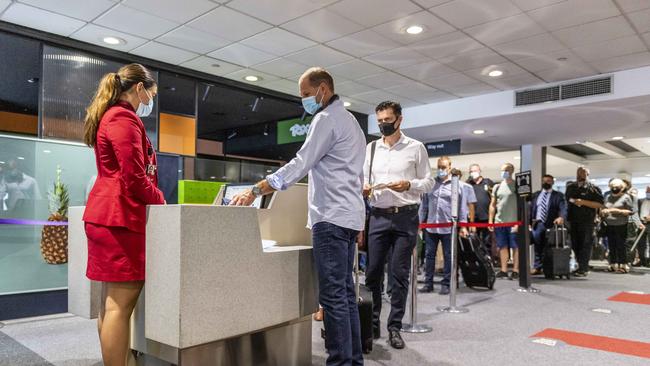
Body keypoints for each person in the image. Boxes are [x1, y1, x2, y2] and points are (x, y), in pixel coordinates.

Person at [229, 67, 365, 366]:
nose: (303, 100)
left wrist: (258, 189)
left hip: (330, 218)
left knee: (332, 299)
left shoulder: (326, 119)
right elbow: (355, 177)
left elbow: (301, 162)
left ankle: (341, 362)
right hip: (348, 217)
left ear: (323, 90)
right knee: (344, 296)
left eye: (306, 94)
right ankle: (352, 362)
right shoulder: (352, 122)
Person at [82, 64, 166, 366]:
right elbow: (134, 177)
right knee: (120, 305)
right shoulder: (123, 118)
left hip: (110, 217)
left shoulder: (112, 116)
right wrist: (162, 202)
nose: (150, 102)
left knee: (111, 304)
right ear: (139, 88)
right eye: (151, 94)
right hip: (120, 219)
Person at [362, 101, 433, 349]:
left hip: (405, 216)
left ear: (399, 120)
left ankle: (395, 327)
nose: (383, 124)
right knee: (372, 274)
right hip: (378, 216)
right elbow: (363, 180)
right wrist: (365, 188)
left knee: (399, 274)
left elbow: (428, 182)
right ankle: (371, 325)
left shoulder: (416, 148)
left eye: (387, 120)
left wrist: (409, 185)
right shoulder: (371, 149)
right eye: (380, 120)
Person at [419, 157, 469, 295]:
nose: (441, 169)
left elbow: (462, 207)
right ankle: (428, 283)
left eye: (443, 167)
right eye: (439, 167)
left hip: (448, 227)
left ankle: (446, 284)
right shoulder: (431, 184)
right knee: (429, 256)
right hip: (431, 226)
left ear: (449, 167)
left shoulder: (458, 185)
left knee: (449, 256)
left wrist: (463, 226)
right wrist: (420, 223)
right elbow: (424, 205)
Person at [565, 167, 604, 276]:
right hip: (573, 220)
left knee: (585, 244)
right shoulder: (571, 187)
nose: (580, 175)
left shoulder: (593, 188)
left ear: (588, 174)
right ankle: (580, 265)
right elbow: (568, 199)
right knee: (575, 244)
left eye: (583, 173)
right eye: (578, 172)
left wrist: (583, 202)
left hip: (587, 221)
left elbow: (600, 204)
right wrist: (574, 201)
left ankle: (584, 268)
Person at [529, 174, 567, 275]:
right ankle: (537, 267)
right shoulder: (536, 195)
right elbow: (530, 208)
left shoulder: (558, 195)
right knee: (538, 246)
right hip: (538, 223)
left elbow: (563, 208)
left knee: (549, 246)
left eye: (549, 181)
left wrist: (561, 217)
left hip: (552, 224)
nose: (546, 182)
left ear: (553, 182)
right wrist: (528, 222)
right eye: (545, 181)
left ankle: (549, 268)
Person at [489, 163, 519, 280]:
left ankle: (516, 270)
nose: (504, 172)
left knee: (515, 246)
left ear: (511, 171)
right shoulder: (497, 187)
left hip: (513, 221)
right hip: (499, 222)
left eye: (506, 170)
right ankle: (504, 269)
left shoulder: (516, 186)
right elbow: (492, 204)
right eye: (502, 170)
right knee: (502, 246)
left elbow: (523, 205)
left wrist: (519, 221)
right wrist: (491, 221)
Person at [601, 178, 635, 273]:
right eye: (612, 187)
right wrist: (603, 212)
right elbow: (604, 208)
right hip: (609, 224)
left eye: (616, 187)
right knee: (611, 245)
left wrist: (614, 211)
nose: (614, 188)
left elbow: (630, 212)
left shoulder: (626, 197)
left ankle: (623, 265)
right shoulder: (607, 197)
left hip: (621, 224)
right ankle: (613, 264)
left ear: (621, 187)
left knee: (621, 245)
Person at [467, 164, 494, 253]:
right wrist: (471, 222)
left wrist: (491, 219)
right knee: (475, 242)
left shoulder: (488, 182)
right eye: (471, 171)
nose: (473, 173)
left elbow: (494, 198)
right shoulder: (468, 184)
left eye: (475, 170)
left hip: (487, 218)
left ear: (479, 171)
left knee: (487, 242)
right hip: (474, 219)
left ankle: (488, 260)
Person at [635, 186, 650, 267]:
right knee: (640, 244)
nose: (648, 193)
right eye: (647, 191)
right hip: (641, 224)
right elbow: (636, 212)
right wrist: (638, 223)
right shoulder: (640, 201)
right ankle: (642, 260)